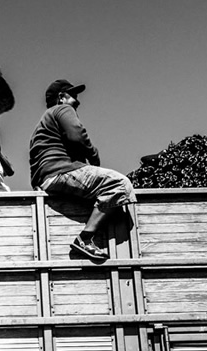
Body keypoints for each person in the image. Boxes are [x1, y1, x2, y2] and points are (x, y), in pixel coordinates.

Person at [28, 79, 136, 261]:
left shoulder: (43, 125)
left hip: (47, 178)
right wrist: (93, 155)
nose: (77, 100)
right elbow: (77, 135)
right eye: (73, 96)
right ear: (61, 97)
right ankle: (85, 239)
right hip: (61, 171)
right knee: (120, 184)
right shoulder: (62, 109)